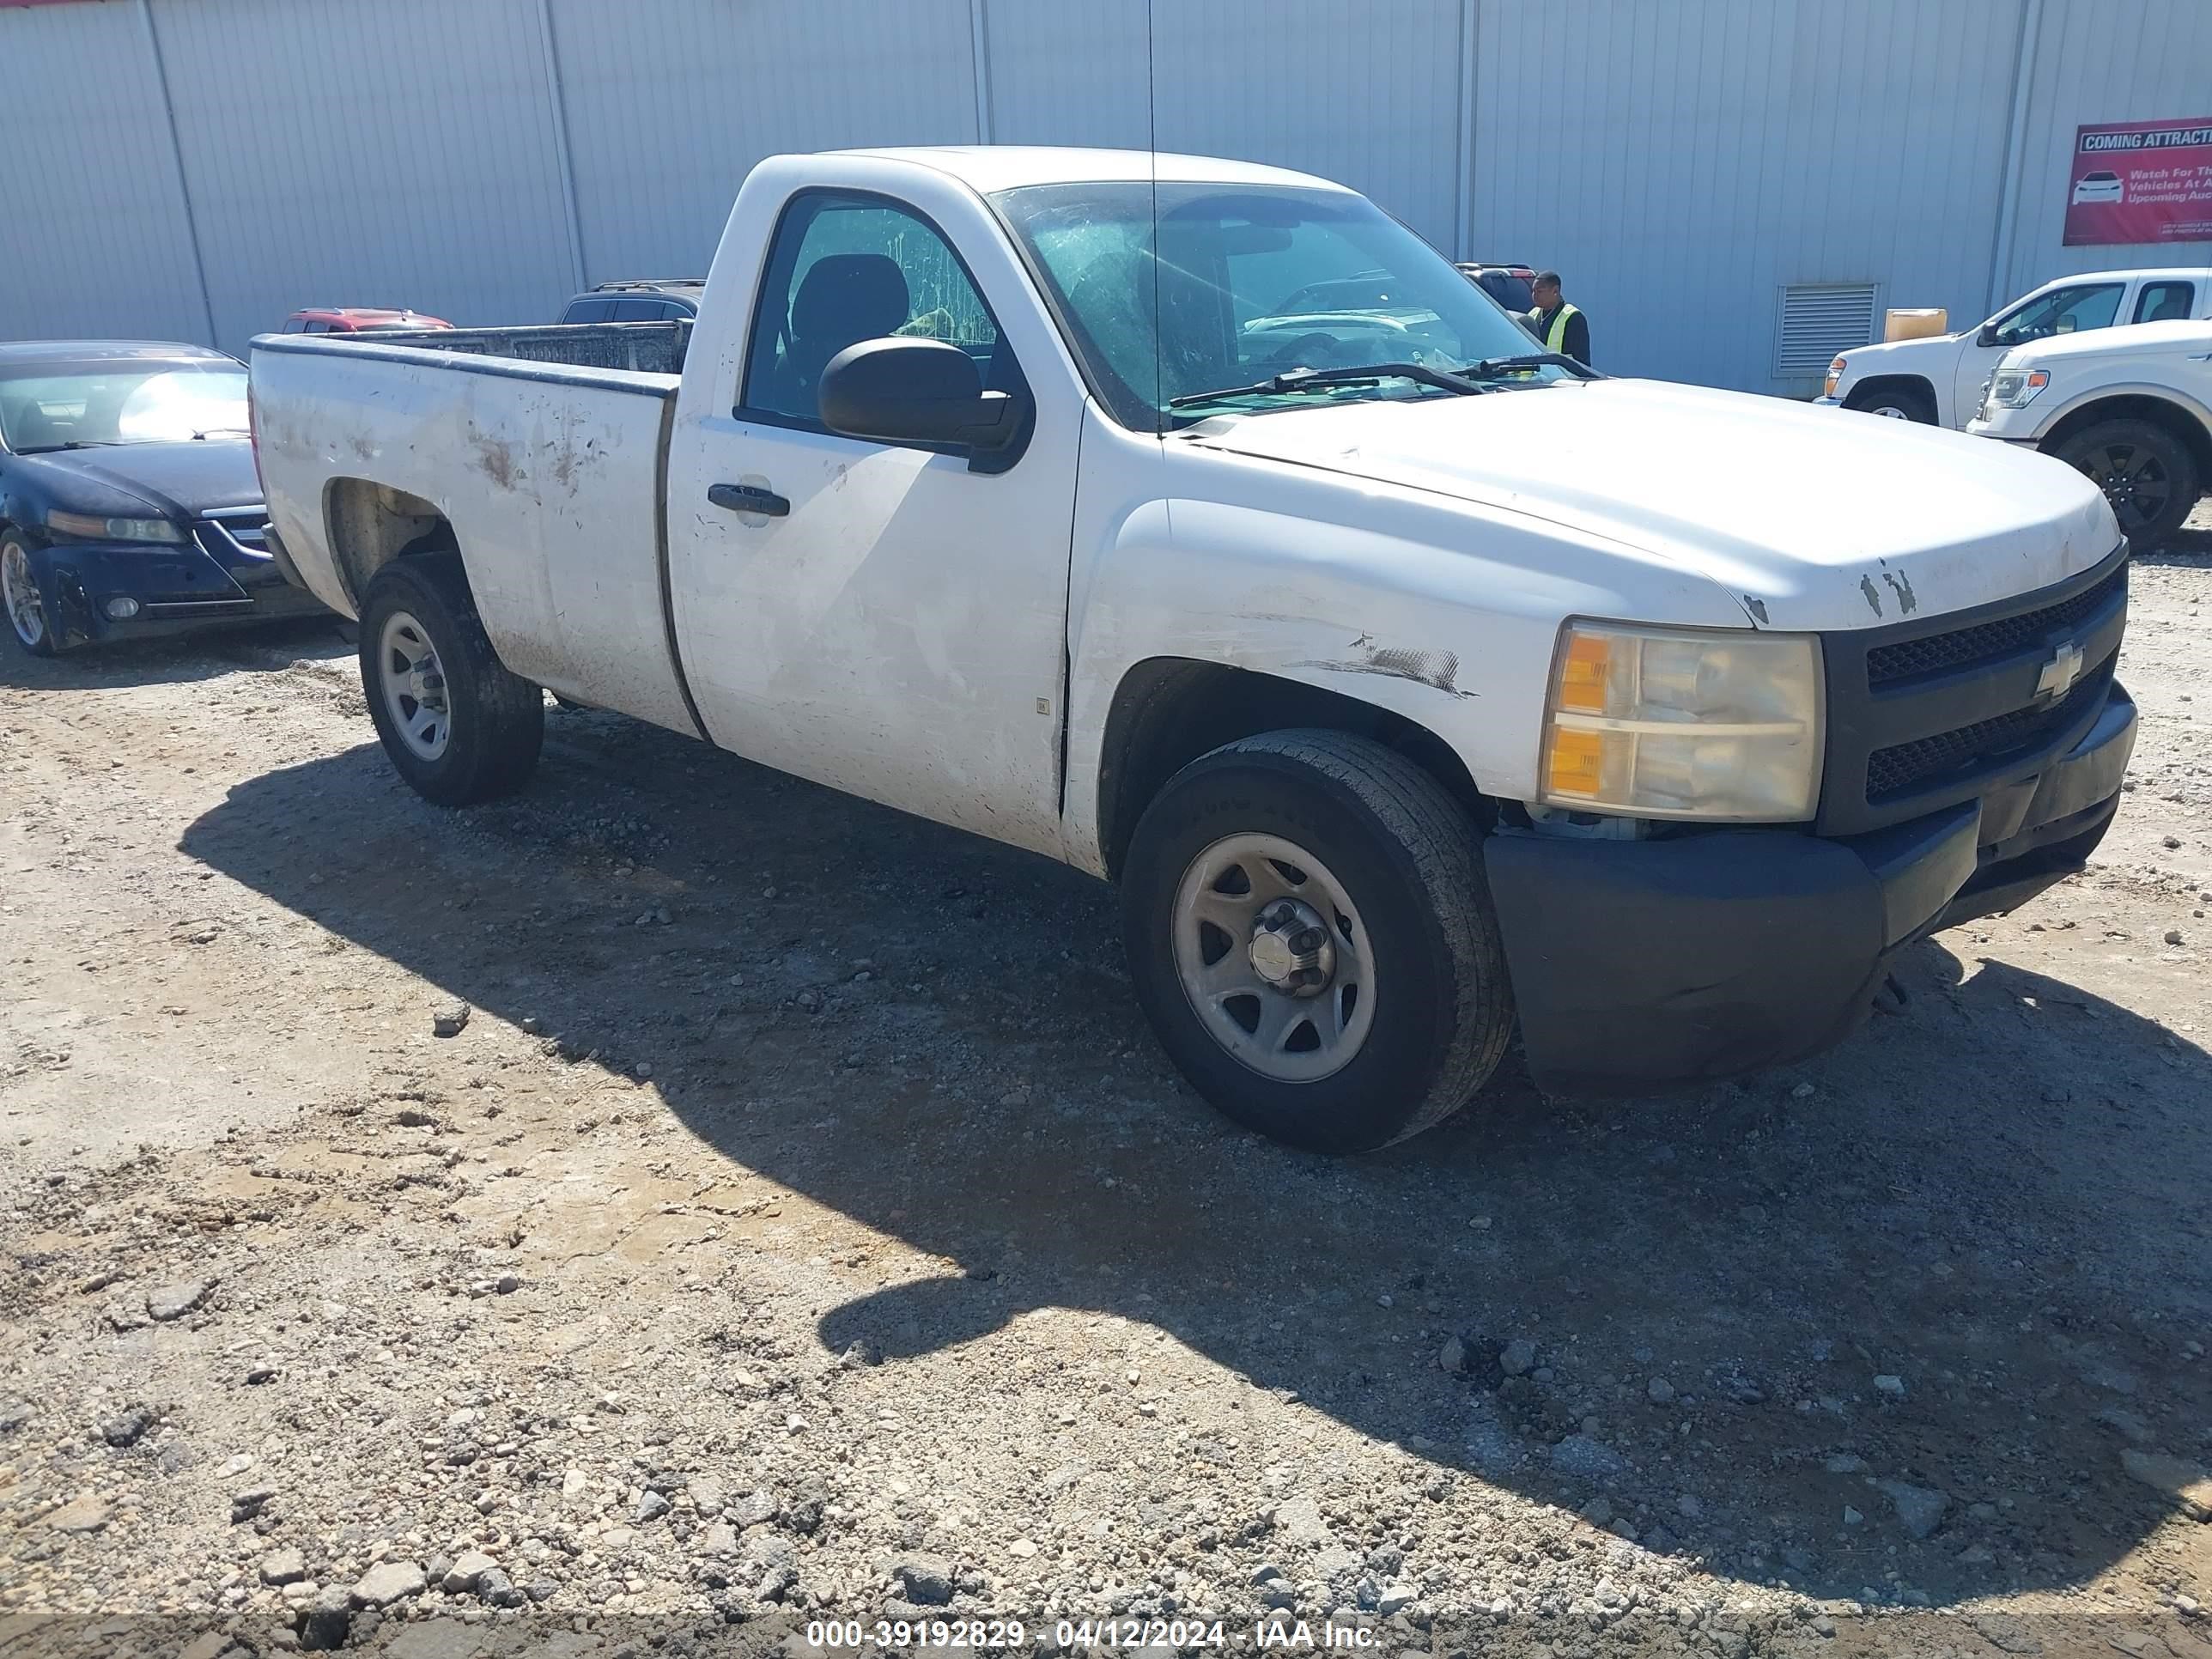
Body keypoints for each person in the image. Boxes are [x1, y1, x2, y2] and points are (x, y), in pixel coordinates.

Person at [1526, 271, 1590, 368]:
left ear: (1555, 291)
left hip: (1561, 380)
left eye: (1539, 291)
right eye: (1533, 291)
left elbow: (1583, 362)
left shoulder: (1573, 317)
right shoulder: (1532, 315)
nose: (1534, 295)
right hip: (1536, 378)